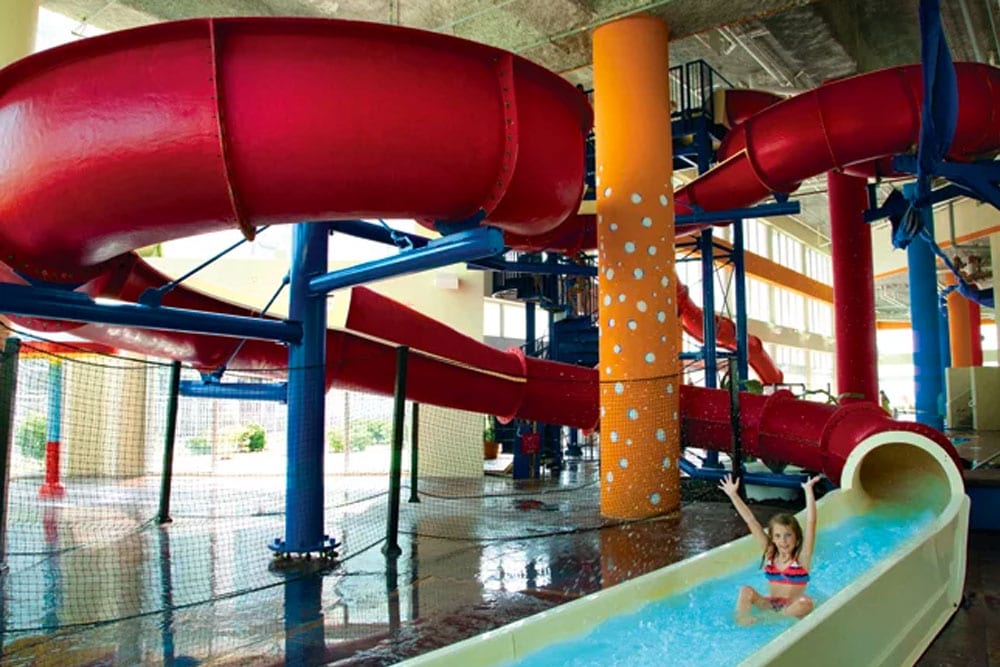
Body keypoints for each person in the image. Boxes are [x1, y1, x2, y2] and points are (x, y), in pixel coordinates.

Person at [718, 473, 822, 625]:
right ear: (772, 538)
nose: (783, 541)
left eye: (788, 536)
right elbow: (751, 521)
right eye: (778, 536)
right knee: (746, 590)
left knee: (805, 602)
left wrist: (808, 490)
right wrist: (733, 495)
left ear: (797, 538)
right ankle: (742, 620)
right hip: (770, 604)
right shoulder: (771, 554)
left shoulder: (801, 558)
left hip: (792, 608)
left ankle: (769, 620)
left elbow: (811, 522)